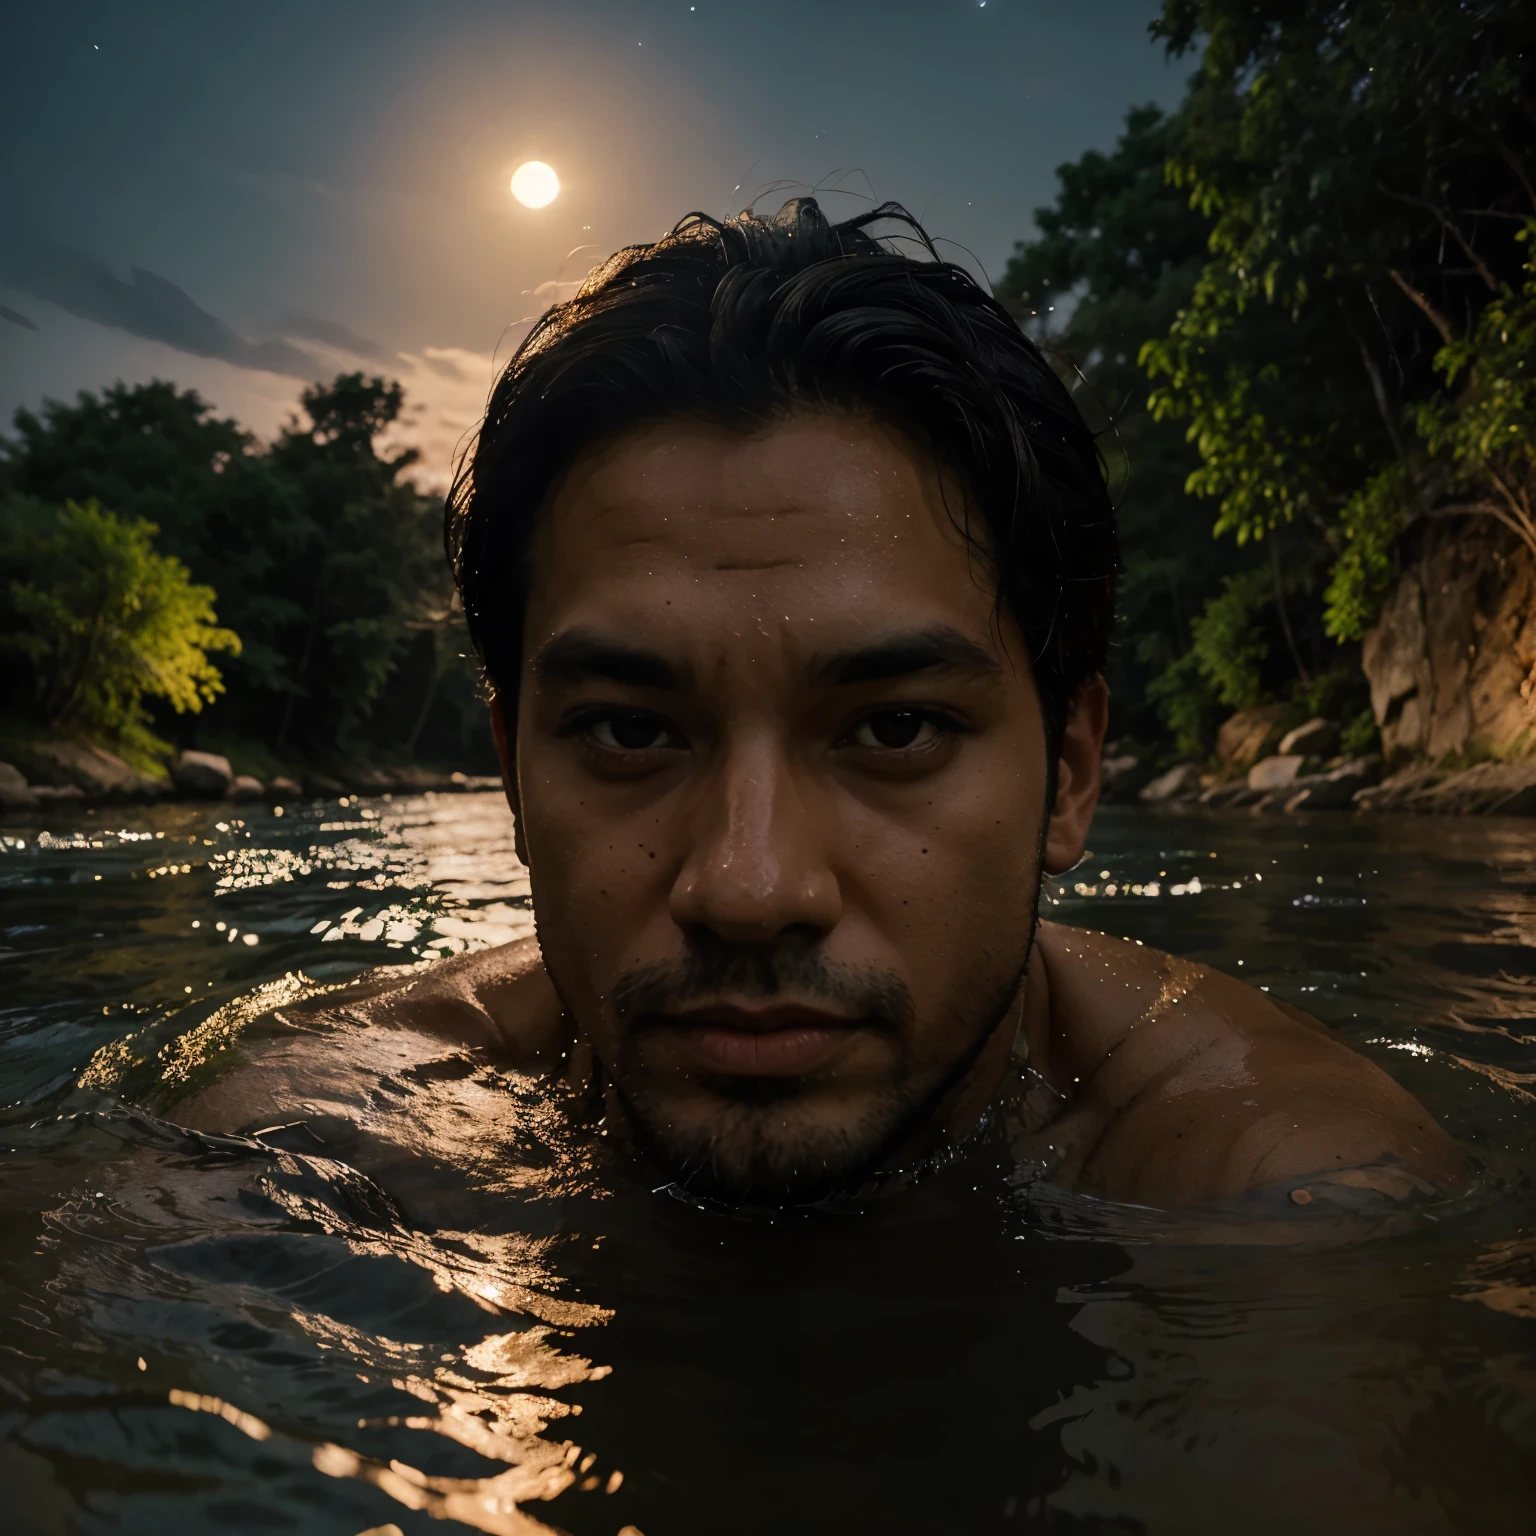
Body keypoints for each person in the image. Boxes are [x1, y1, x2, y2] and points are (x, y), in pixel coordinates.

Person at [179, 198, 1460, 1211]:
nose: (748, 885)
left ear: (1070, 775)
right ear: (515, 772)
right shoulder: (306, 1134)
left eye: (894, 727)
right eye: (630, 729)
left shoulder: (1285, 1182)